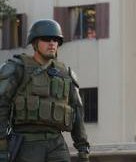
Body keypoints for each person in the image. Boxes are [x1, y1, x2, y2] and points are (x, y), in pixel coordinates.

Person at [0, 19, 90, 162]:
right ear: (34, 43)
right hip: (27, 144)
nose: (52, 43)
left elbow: (77, 111)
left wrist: (83, 147)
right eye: (47, 39)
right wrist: (2, 146)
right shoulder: (17, 68)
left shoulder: (65, 73)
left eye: (56, 40)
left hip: (57, 144)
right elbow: (1, 105)